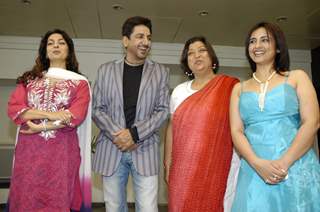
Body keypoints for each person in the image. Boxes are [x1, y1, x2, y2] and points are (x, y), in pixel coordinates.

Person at [230, 22, 320, 211]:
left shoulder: (297, 77)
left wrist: (283, 163)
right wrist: (257, 164)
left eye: (265, 40)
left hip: (296, 166)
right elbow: (236, 131)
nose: (257, 46)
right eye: (252, 41)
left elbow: (311, 123)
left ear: (278, 47)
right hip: (254, 170)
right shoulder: (239, 88)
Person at [7, 29, 92, 211]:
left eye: (61, 42)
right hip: (29, 152)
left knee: (57, 197)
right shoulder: (29, 80)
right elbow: (15, 109)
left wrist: (40, 127)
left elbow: (75, 115)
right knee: (27, 197)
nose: (55, 45)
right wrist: (51, 115)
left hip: (61, 152)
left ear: (69, 50)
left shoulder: (80, 82)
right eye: (50, 43)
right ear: (45, 50)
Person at [92, 16, 169, 212]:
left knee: (148, 208)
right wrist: (121, 136)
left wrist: (134, 134)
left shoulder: (160, 72)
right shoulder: (105, 70)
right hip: (112, 147)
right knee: (114, 207)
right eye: (140, 36)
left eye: (149, 37)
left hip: (145, 148)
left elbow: (163, 111)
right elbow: (97, 109)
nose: (146, 42)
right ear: (125, 41)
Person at [164, 36, 239, 212]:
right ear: (186, 61)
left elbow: (240, 127)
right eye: (190, 53)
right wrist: (168, 163)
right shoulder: (179, 91)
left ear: (212, 56)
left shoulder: (230, 87)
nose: (196, 55)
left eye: (202, 50)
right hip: (184, 169)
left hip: (219, 167)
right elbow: (171, 129)